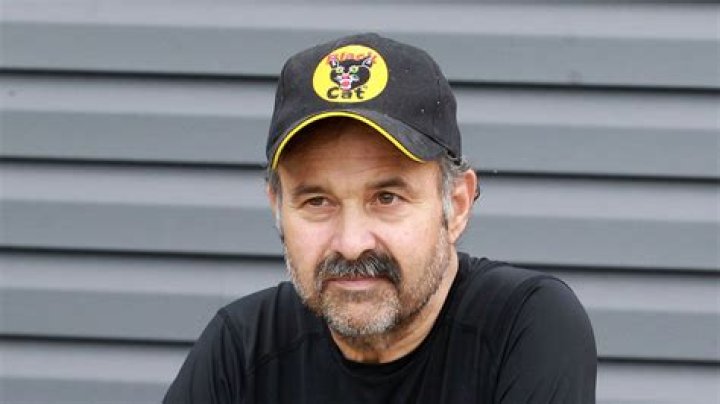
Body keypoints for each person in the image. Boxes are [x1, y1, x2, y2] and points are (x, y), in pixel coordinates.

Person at [163, 32, 597, 404]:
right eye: (317, 201)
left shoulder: (524, 326)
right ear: (278, 208)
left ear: (457, 204)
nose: (352, 244)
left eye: (387, 198)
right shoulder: (242, 349)